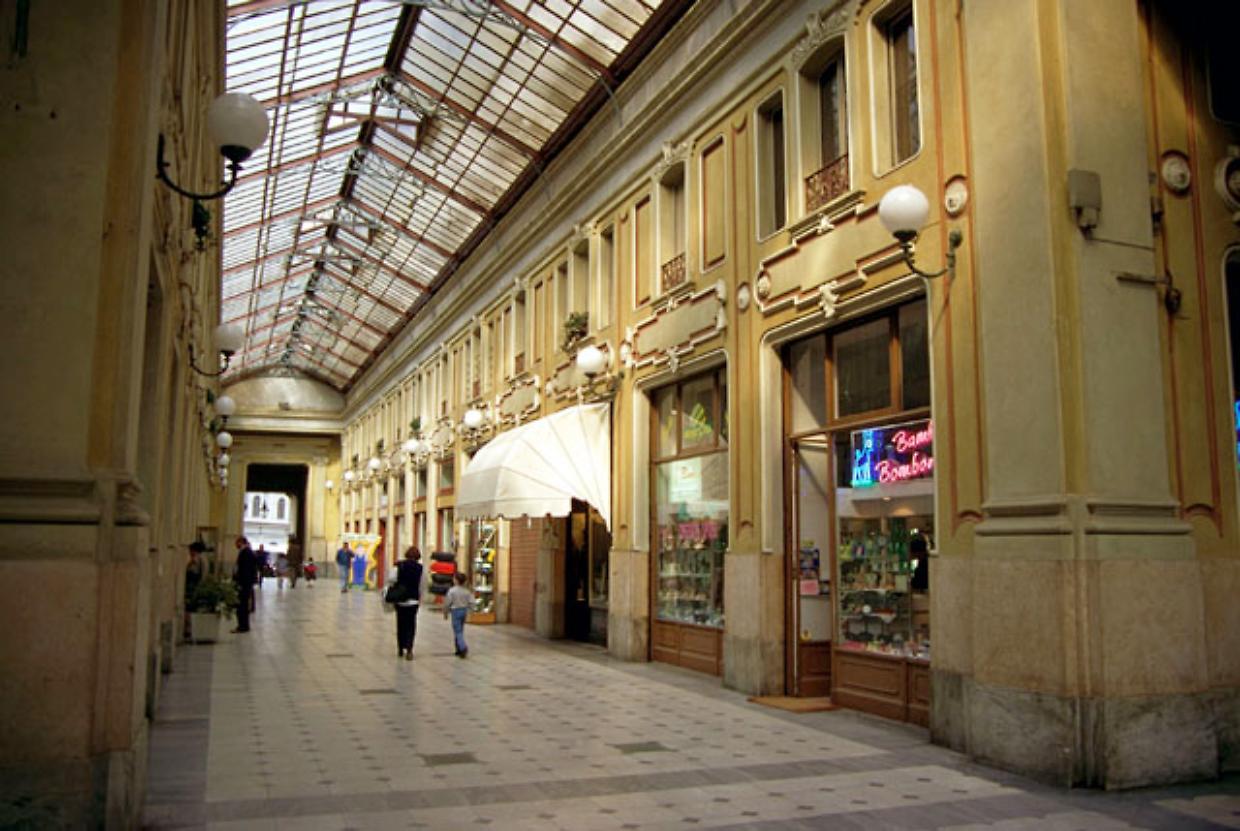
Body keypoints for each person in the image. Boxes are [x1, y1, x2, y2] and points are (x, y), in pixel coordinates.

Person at [388, 547, 426, 660]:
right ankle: (409, 648)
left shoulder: (399, 566)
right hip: (413, 600)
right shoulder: (421, 568)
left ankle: (400, 648)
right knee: (411, 624)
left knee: (400, 624)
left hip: (400, 599)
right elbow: (423, 584)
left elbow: (391, 579)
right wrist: (420, 597)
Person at [443, 572, 473, 658]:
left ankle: (463, 647)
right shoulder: (467, 591)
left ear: (456, 580)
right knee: (460, 630)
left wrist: (445, 612)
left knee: (457, 630)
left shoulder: (452, 591)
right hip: (464, 610)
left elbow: (447, 602)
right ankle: (458, 649)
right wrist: (469, 610)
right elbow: (472, 602)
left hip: (455, 611)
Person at [232, 536, 257, 633]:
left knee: (242, 605)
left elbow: (245, 570)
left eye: (237, 543)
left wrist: (241, 582)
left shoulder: (246, 553)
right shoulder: (248, 552)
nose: (235, 545)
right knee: (243, 605)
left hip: (244, 583)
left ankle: (242, 626)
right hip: (246, 583)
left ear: (241, 542)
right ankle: (243, 625)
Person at [184, 541, 207, 639]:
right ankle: (188, 629)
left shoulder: (201, 560)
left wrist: (200, 588)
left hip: (195, 587)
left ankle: (191, 630)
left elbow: (203, 575)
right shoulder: (193, 560)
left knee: (192, 608)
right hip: (190, 587)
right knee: (189, 608)